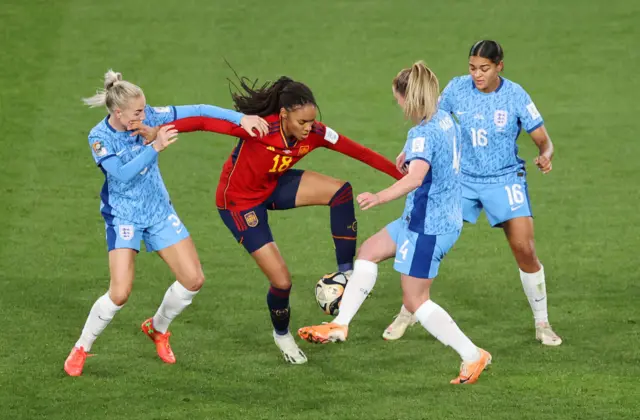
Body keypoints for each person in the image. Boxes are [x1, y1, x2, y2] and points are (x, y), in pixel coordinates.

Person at [134, 75, 404, 364]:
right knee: (282, 282)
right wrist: (157, 131)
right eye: (302, 122)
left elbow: (360, 152)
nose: (308, 128)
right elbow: (202, 122)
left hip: (273, 186)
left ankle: (346, 273)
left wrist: (406, 179)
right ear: (284, 115)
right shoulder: (260, 129)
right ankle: (282, 335)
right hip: (238, 203)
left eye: (312, 121)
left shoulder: (315, 134)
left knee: (341, 192)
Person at [298, 61, 492, 385]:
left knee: (416, 301)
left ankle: (473, 355)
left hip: (428, 228)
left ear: (409, 97)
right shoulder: (443, 119)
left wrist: (379, 197)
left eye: (398, 98)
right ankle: (341, 324)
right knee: (369, 252)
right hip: (426, 218)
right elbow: (423, 157)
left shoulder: (422, 133)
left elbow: (414, 179)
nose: (398, 104)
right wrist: (408, 151)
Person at [63, 70, 268, 376]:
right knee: (119, 293)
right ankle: (81, 347)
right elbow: (121, 174)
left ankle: (157, 328)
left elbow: (199, 112)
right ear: (118, 113)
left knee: (193, 280)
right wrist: (155, 146)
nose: (143, 116)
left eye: (144, 109)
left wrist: (241, 119)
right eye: (137, 112)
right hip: (125, 217)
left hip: (158, 211)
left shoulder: (151, 117)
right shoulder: (99, 138)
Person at [384, 40, 562, 346]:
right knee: (426, 235)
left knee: (525, 248)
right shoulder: (456, 89)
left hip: (504, 179)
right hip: (460, 180)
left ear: (499, 67)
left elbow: (544, 140)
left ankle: (542, 322)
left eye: (484, 68)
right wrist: (408, 149)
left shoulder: (516, 96)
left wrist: (545, 154)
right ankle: (409, 308)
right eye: (472, 68)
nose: (477, 74)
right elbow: (429, 118)